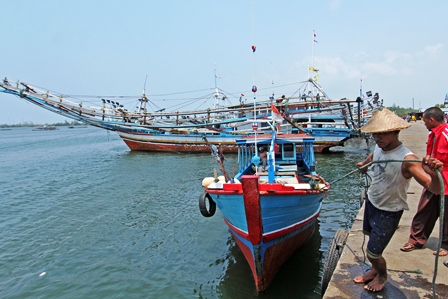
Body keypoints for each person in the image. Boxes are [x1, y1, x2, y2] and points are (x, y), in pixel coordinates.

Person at [353, 108, 443, 292]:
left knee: (373, 251)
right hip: (372, 201)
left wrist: (433, 173)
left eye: (383, 134)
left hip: (389, 210)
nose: (378, 138)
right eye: (375, 134)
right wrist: (364, 164)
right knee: (371, 240)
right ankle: (373, 270)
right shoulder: (379, 147)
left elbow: (433, 188)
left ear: (396, 132)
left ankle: (382, 275)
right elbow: (373, 157)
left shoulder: (407, 159)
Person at [400, 107, 448, 256]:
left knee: (446, 215)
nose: (423, 122)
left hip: (446, 181)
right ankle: (416, 239)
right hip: (433, 179)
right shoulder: (432, 135)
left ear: (432, 120)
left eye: (425, 119)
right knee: (424, 210)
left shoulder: (446, 134)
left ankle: (445, 245)